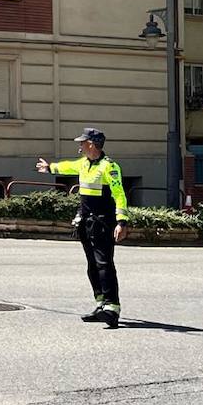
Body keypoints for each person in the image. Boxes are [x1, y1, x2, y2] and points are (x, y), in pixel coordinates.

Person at [37, 127, 129, 328]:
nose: (79, 145)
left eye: (82, 142)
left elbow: (119, 194)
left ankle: (112, 308)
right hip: (86, 222)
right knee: (92, 266)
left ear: (91, 144)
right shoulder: (84, 164)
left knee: (104, 265)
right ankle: (100, 304)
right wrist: (50, 167)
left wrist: (121, 222)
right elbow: (68, 166)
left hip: (104, 223)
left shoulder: (109, 167)